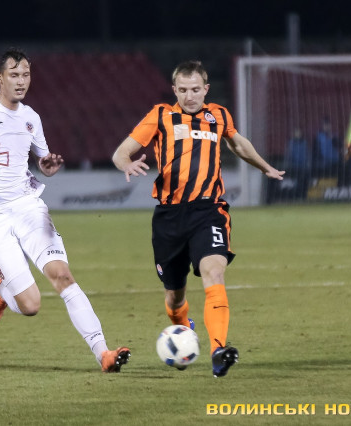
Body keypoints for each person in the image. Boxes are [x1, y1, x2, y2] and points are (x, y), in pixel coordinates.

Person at [0, 48, 130, 373]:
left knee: (62, 275)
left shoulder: (31, 118)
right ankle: (3, 293)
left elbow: (42, 162)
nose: (21, 81)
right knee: (32, 304)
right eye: (14, 75)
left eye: (26, 75)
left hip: (28, 207)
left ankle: (103, 352)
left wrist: (48, 166)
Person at [112, 60, 284, 378]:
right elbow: (121, 152)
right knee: (174, 297)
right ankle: (183, 328)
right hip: (169, 217)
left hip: (208, 211)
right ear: (174, 90)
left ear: (206, 89)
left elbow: (237, 143)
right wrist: (126, 164)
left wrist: (264, 166)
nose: (189, 96)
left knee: (213, 272)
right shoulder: (161, 116)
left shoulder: (218, 115)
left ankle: (219, 350)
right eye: (183, 90)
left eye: (195, 90)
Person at [284, 127, 309, 199]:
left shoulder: (304, 143)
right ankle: (294, 196)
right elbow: (288, 155)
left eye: (299, 133)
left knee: (303, 182)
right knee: (294, 182)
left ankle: (303, 196)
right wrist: (288, 165)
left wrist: (307, 165)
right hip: (294, 167)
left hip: (303, 167)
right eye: (296, 133)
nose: (298, 134)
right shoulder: (291, 143)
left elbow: (307, 154)